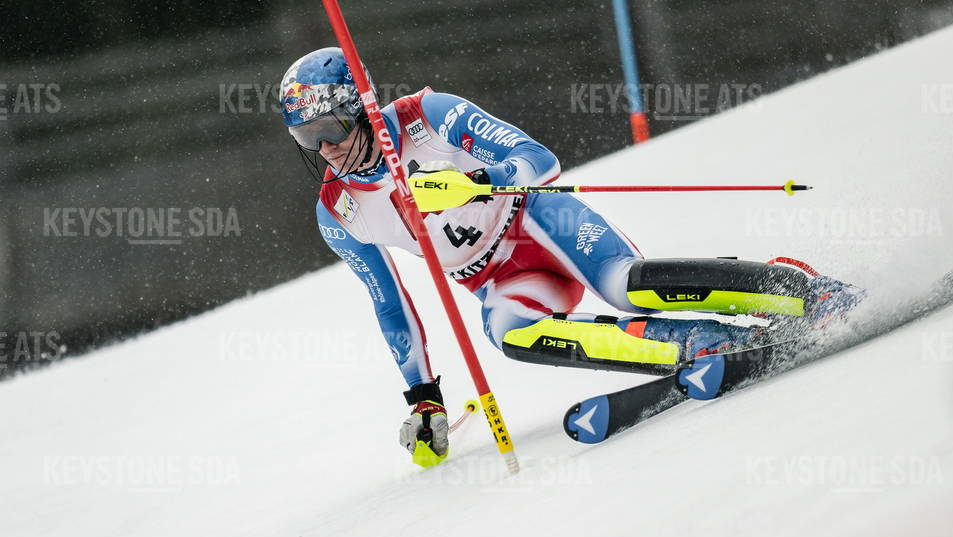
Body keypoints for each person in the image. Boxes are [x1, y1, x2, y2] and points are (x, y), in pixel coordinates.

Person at [279, 48, 863, 464]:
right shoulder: (339, 213)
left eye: (330, 127)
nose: (326, 149)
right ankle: (694, 343)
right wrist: (424, 399)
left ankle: (795, 288)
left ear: (362, 108)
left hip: (538, 219)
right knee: (508, 331)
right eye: (308, 139)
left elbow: (538, 160)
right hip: (501, 276)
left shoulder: (429, 116)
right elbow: (391, 305)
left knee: (624, 286)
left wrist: (476, 182)